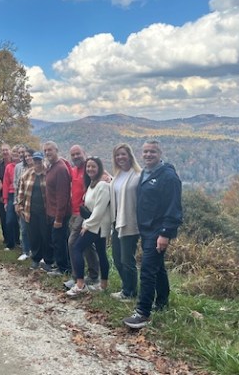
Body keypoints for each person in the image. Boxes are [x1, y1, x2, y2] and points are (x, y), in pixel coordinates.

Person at [123, 140, 183, 329]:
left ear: (160, 153)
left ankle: (143, 313)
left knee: (148, 270)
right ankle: (163, 301)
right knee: (158, 267)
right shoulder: (145, 173)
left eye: (153, 152)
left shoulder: (168, 177)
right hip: (146, 229)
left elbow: (174, 208)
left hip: (158, 231)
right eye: (146, 152)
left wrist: (165, 234)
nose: (148, 155)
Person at [66, 157, 112, 297]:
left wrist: (86, 225)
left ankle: (80, 285)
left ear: (100, 168)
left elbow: (100, 209)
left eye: (93, 167)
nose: (90, 169)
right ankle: (103, 285)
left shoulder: (103, 186)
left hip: (96, 226)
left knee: (77, 248)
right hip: (94, 225)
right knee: (101, 253)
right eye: (88, 167)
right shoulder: (92, 184)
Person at [64, 145, 100, 290]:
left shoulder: (89, 168)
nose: (75, 157)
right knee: (86, 246)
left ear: (84, 153)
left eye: (78, 154)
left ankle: (76, 277)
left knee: (73, 243)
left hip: (84, 213)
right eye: (72, 155)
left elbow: (104, 176)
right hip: (74, 212)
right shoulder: (74, 170)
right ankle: (93, 274)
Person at [110, 143, 142, 302]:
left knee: (127, 259)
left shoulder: (137, 175)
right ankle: (126, 287)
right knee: (116, 257)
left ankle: (130, 292)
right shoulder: (117, 175)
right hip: (116, 221)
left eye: (123, 154)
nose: (120, 157)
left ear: (130, 155)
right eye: (117, 155)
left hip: (130, 222)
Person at [16, 151, 53, 270]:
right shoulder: (27, 174)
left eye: (39, 160)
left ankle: (48, 261)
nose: (37, 163)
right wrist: (19, 205)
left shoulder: (48, 173)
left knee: (46, 236)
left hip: (45, 211)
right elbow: (20, 191)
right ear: (33, 161)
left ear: (43, 160)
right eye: (35, 160)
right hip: (30, 210)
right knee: (34, 236)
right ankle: (36, 259)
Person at [43, 141, 72, 275]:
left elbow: (63, 196)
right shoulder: (51, 166)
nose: (48, 153)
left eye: (50, 150)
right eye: (46, 151)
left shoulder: (60, 169)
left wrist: (59, 218)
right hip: (51, 211)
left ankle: (63, 269)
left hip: (59, 213)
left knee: (59, 241)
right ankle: (62, 265)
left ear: (57, 150)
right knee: (57, 240)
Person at [14, 147, 33, 261]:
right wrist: (16, 202)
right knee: (24, 228)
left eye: (29, 155)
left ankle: (36, 252)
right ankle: (25, 251)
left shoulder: (41, 168)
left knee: (36, 230)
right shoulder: (21, 169)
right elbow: (17, 186)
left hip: (36, 204)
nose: (28, 158)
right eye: (26, 157)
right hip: (23, 203)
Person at [2, 145, 21, 250]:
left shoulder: (24, 166)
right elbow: (5, 183)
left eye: (17, 153)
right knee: (9, 220)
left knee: (22, 221)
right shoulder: (9, 167)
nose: (15, 155)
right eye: (14, 153)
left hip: (22, 194)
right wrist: (5, 200)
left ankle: (20, 242)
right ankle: (10, 244)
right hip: (11, 194)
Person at [0, 143, 12, 245]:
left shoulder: (15, 163)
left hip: (13, 194)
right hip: (2, 196)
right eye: (3, 150)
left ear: (9, 151)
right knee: (4, 218)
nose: (5, 152)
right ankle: (6, 239)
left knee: (13, 219)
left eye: (6, 150)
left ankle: (16, 239)